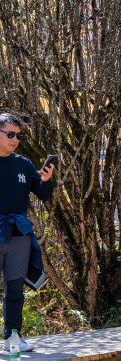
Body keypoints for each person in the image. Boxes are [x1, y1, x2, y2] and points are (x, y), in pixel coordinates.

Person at [0, 113, 53, 353]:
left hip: (19, 234)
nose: (15, 139)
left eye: (18, 135)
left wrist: (47, 180)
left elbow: (42, 193)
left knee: (15, 290)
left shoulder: (24, 164)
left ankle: (13, 337)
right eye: (10, 134)